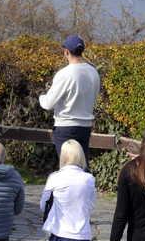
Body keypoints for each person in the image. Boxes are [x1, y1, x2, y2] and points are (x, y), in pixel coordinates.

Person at [39, 35, 101, 166]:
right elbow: (95, 95)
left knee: (67, 167)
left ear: (66, 52)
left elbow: (48, 104)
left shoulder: (65, 73)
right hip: (85, 126)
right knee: (82, 166)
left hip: (65, 126)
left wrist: (41, 97)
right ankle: (87, 186)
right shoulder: (93, 72)